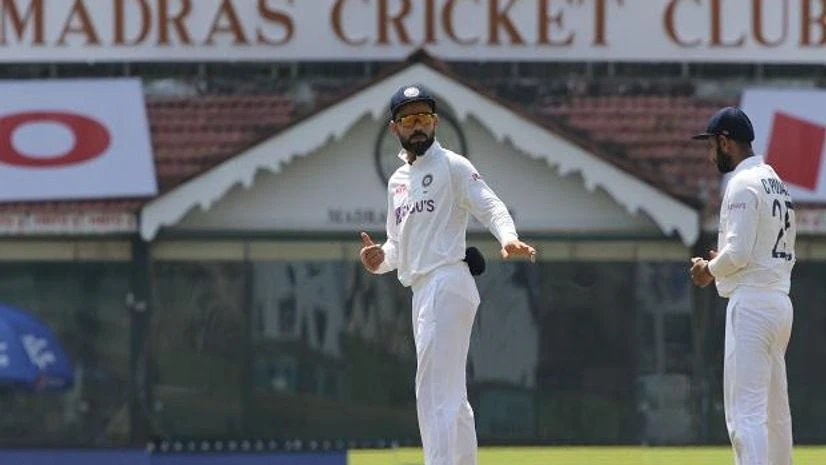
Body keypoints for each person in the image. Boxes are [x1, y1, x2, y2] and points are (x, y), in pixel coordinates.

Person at [358, 84, 536, 465]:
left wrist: (508, 237)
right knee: (452, 396)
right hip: (425, 289)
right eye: (409, 119)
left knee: (433, 393)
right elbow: (398, 247)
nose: (417, 125)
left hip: (446, 281)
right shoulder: (397, 183)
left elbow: (489, 205)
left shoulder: (452, 166)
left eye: (424, 117)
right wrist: (379, 260)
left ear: (436, 122)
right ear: (395, 128)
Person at [689, 107, 796, 465]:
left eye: (712, 146)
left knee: (744, 415)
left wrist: (709, 268)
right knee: (776, 415)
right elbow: (754, 250)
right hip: (779, 303)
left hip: (751, 306)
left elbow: (737, 253)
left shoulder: (742, 183)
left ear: (725, 142)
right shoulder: (775, 182)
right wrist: (726, 264)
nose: (710, 155)